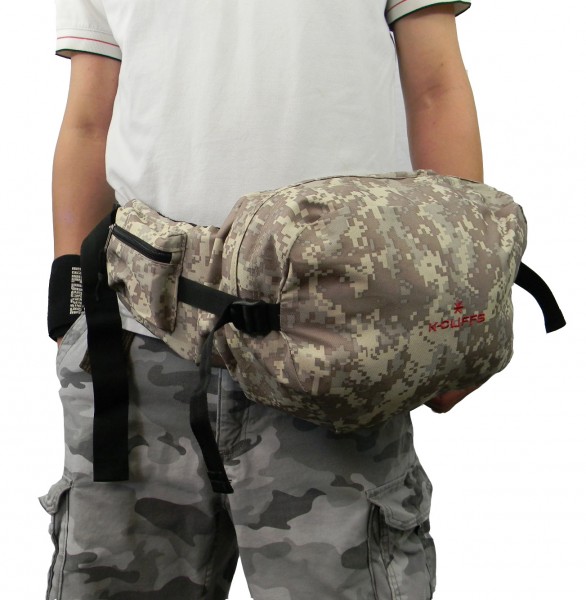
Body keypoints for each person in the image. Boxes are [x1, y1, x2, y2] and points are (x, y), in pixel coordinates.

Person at [42, 1, 482, 598]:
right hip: (138, 341)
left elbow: (435, 90)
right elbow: (90, 119)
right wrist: (70, 293)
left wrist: (457, 302)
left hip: (337, 344)